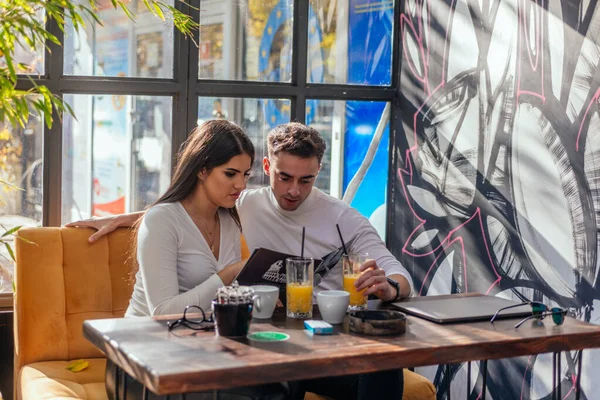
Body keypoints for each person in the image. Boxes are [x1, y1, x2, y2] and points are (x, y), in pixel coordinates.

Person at [68, 122, 412, 400]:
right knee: (278, 381)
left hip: (226, 343)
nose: (293, 190)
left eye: (305, 180)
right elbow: (175, 218)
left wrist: (390, 287)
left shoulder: (235, 216)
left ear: (318, 172)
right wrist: (122, 218)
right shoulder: (239, 207)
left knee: (372, 371)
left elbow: (396, 271)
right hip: (151, 352)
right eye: (284, 177)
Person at [102, 120, 290, 400]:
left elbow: (223, 300)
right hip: (142, 360)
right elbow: (163, 312)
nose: (240, 184)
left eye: (246, 175)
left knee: (284, 388)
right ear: (202, 169)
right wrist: (230, 274)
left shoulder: (228, 220)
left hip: (198, 352)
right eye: (230, 174)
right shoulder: (163, 220)